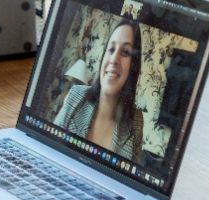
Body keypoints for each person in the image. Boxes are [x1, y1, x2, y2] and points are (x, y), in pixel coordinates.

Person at [54, 18, 145, 161]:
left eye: (126, 52)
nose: (114, 59)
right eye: (111, 49)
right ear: (103, 57)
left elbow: (129, 176)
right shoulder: (76, 95)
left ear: (133, 66)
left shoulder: (136, 121)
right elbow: (49, 146)